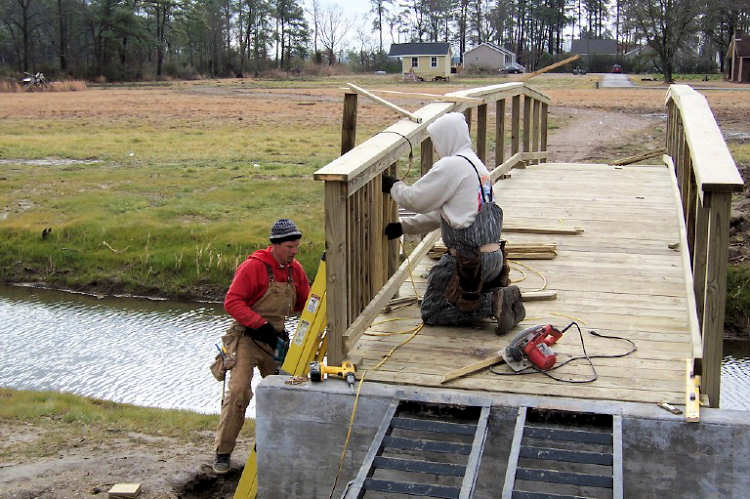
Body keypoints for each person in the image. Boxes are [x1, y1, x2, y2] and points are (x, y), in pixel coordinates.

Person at [382, 112, 525, 333]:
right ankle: (496, 298)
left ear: (447, 138)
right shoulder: (476, 166)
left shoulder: (451, 166)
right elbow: (449, 216)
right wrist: (404, 227)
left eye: (437, 142)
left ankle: (494, 303)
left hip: (468, 264)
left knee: (432, 310)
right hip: (493, 260)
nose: (437, 149)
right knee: (443, 291)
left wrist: (394, 186)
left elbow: (415, 200)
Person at [212, 218, 310, 474]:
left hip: (276, 339)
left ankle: (282, 449)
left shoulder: (295, 270)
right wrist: (260, 325)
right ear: (275, 245)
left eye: (296, 247)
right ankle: (223, 452)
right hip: (247, 338)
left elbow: (304, 303)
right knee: (238, 393)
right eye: (290, 247)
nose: (294, 252)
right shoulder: (253, 267)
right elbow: (232, 302)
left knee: (287, 391)